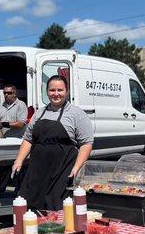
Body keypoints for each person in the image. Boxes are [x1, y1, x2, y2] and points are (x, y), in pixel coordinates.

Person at [12, 75, 94, 210]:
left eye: (60, 90)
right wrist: (19, 160)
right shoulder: (39, 113)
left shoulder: (76, 114)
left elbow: (86, 143)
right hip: (37, 171)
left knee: (57, 208)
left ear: (67, 91)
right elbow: (28, 139)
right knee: (31, 207)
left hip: (62, 171)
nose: (56, 94)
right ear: (47, 92)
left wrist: (76, 168)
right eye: (52, 90)